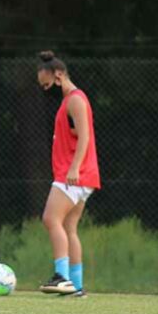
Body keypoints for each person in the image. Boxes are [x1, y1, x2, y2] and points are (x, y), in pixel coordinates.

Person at [36, 51, 101, 298]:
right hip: (81, 174)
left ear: (59, 75)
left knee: (51, 219)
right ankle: (76, 284)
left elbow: (84, 136)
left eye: (48, 84)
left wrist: (74, 168)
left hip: (74, 173)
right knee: (69, 227)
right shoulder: (68, 101)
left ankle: (62, 277)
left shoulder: (75, 99)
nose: (46, 90)